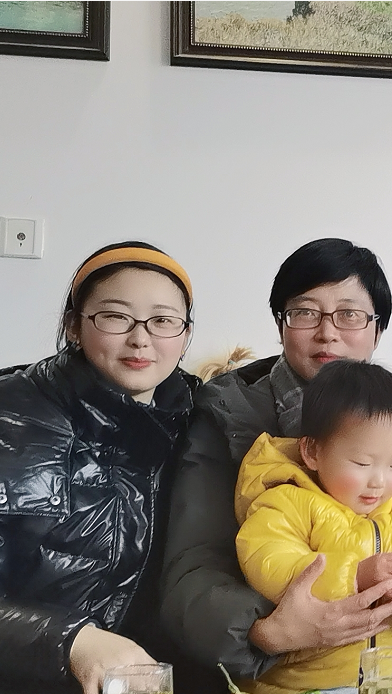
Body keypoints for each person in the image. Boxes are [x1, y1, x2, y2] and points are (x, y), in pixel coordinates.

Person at [161, 238, 392, 684]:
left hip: (391, 659)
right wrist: (267, 632)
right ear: (281, 324)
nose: (327, 332)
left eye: (350, 315)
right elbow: (194, 568)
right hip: (279, 672)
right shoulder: (224, 416)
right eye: (305, 312)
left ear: (377, 330)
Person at [0, 242, 201, 694]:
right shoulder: (11, 417)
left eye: (163, 321)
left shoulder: (201, 423)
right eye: (116, 316)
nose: (141, 339)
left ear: (185, 335)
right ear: (73, 325)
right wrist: (70, 641)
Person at [234, 359, 392, 694]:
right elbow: (269, 565)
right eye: (362, 463)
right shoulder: (286, 502)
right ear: (312, 451)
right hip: (312, 676)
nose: (379, 481)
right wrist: (355, 576)